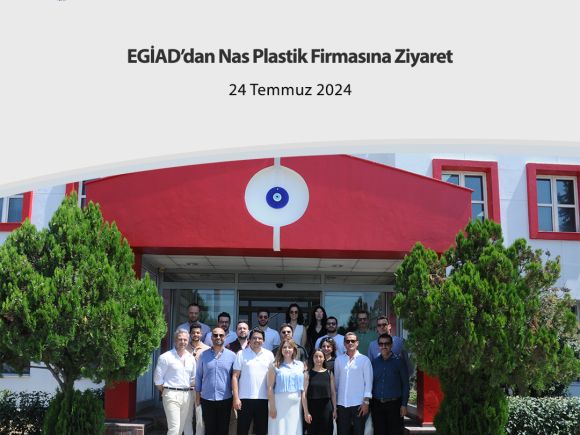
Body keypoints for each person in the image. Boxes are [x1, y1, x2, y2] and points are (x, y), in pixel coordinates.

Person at [153, 328, 196, 435]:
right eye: (180, 339)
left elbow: (192, 378)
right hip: (171, 393)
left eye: (185, 340)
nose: (183, 342)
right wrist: (167, 392)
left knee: (181, 427)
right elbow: (157, 380)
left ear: (188, 341)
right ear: (175, 340)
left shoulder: (191, 358)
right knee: (174, 428)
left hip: (187, 394)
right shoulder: (165, 357)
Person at [195, 327, 237, 435]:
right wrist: (198, 397)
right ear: (211, 337)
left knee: (223, 429)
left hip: (225, 398)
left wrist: (235, 397)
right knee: (210, 429)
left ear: (224, 337)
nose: (218, 337)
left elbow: (235, 377)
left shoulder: (232, 356)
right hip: (207, 398)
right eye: (215, 335)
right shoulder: (203, 355)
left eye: (221, 335)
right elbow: (198, 376)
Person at [232, 328, 274, 435]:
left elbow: (273, 378)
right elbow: (235, 376)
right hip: (244, 399)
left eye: (260, 338)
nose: (257, 340)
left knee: (261, 430)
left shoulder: (269, 355)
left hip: (264, 399)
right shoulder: (241, 354)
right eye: (254, 338)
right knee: (242, 430)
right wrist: (236, 397)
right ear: (249, 339)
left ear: (263, 341)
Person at [334, 332, 373, 435]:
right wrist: (335, 404)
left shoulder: (364, 360)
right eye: (347, 341)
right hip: (342, 403)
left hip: (359, 403)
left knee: (359, 432)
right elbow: (336, 382)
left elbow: (368, 383)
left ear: (357, 343)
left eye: (352, 341)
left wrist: (366, 402)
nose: (350, 343)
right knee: (342, 432)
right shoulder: (339, 360)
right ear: (344, 344)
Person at [371, 334, 410, 435]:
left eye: (387, 344)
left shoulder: (399, 362)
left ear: (391, 345)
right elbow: (371, 384)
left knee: (396, 432)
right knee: (379, 432)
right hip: (377, 405)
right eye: (381, 344)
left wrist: (404, 404)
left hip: (394, 405)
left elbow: (405, 384)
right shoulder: (374, 363)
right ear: (378, 345)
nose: (384, 346)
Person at [266, 338, 305, 435]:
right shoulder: (275, 366)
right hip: (279, 404)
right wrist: (272, 406)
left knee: (294, 429)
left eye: (290, 347)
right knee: (279, 429)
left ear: (294, 349)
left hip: (296, 404)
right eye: (284, 347)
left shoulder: (300, 365)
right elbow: (270, 387)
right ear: (281, 349)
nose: (287, 349)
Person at [302, 348, 337, 435]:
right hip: (312, 408)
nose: (318, 359)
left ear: (324, 358)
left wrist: (335, 409)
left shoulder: (329, 373)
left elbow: (333, 393)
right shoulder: (307, 374)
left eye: (320, 356)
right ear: (312, 358)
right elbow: (304, 394)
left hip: (326, 409)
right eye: (316, 356)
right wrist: (306, 412)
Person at [184, 322, 210, 435]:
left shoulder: (207, 349)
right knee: (186, 417)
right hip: (187, 388)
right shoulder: (184, 349)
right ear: (190, 334)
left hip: (202, 389)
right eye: (193, 333)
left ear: (201, 334)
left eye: (197, 333)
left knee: (200, 418)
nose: (195, 334)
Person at [226, 321, 251, 435]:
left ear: (248, 331)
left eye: (244, 328)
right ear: (236, 331)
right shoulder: (229, 347)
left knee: (249, 418)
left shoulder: (253, 346)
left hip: (249, 387)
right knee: (233, 418)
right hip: (233, 386)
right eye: (240, 328)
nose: (242, 330)